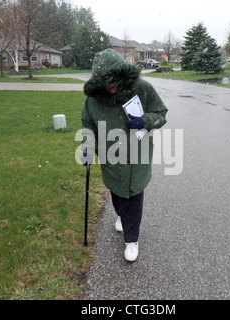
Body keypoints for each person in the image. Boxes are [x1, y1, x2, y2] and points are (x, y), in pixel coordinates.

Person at [81, 49, 168, 262]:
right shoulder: (93, 101)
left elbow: (161, 114)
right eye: (105, 82)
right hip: (111, 158)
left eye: (113, 81)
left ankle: (132, 240)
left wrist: (144, 121)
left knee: (133, 196)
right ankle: (121, 215)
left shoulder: (143, 90)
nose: (110, 87)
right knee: (117, 194)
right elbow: (88, 125)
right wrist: (87, 148)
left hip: (138, 159)